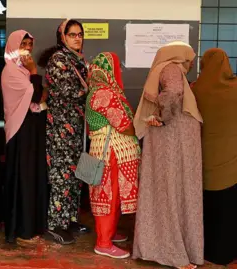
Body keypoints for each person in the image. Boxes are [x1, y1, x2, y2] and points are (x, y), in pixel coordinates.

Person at [132, 41, 204, 269]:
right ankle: (174, 250)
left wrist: (164, 117)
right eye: (190, 57)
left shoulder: (165, 70)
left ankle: (159, 245)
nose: (192, 62)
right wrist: (164, 117)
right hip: (174, 141)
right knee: (174, 190)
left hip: (172, 141)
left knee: (166, 189)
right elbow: (173, 92)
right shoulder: (172, 69)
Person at [38, 19, 89, 245]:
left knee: (76, 175)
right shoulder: (58, 60)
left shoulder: (78, 60)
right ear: (63, 37)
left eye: (80, 34)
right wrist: (91, 87)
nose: (77, 38)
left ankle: (70, 219)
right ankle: (55, 224)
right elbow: (69, 91)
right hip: (61, 128)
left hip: (76, 127)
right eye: (72, 35)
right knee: (61, 176)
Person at [86, 52, 140, 258]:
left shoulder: (98, 90)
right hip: (110, 153)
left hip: (104, 150)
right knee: (107, 196)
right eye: (117, 68)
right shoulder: (104, 93)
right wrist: (138, 129)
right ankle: (103, 243)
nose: (120, 72)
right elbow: (124, 125)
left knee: (112, 195)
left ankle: (109, 233)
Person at [1, 30, 48, 244]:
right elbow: (38, 95)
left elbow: (40, 94)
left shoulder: (22, 71)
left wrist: (33, 79)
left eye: (30, 44)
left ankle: (31, 227)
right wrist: (34, 71)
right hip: (20, 133)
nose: (28, 48)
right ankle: (21, 230)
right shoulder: (11, 71)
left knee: (31, 178)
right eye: (23, 44)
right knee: (23, 179)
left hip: (31, 131)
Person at [192, 48, 237, 266]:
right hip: (231, 163)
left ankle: (205, 250)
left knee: (206, 209)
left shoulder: (194, 90)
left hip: (203, 162)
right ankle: (226, 252)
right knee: (229, 210)